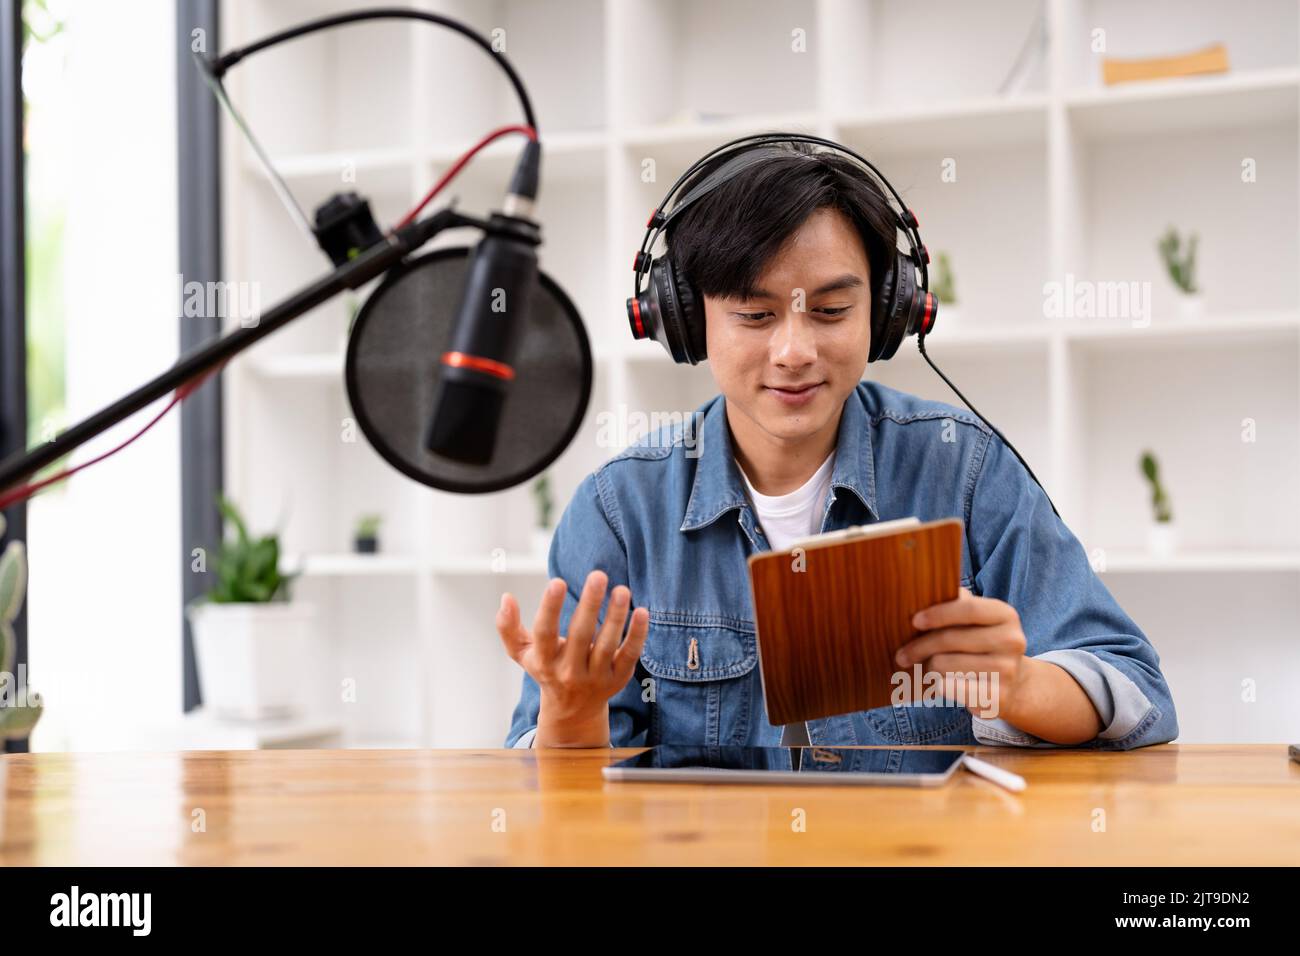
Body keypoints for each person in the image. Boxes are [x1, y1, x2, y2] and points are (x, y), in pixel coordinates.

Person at [498, 141, 1178, 751]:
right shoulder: (620, 510)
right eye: (755, 315)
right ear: (685, 319)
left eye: (830, 311)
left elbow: (1137, 695)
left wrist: (1021, 685)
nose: (794, 351)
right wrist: (571, 713)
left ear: (887, 312)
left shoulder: (962, 467)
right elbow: (571, 796)